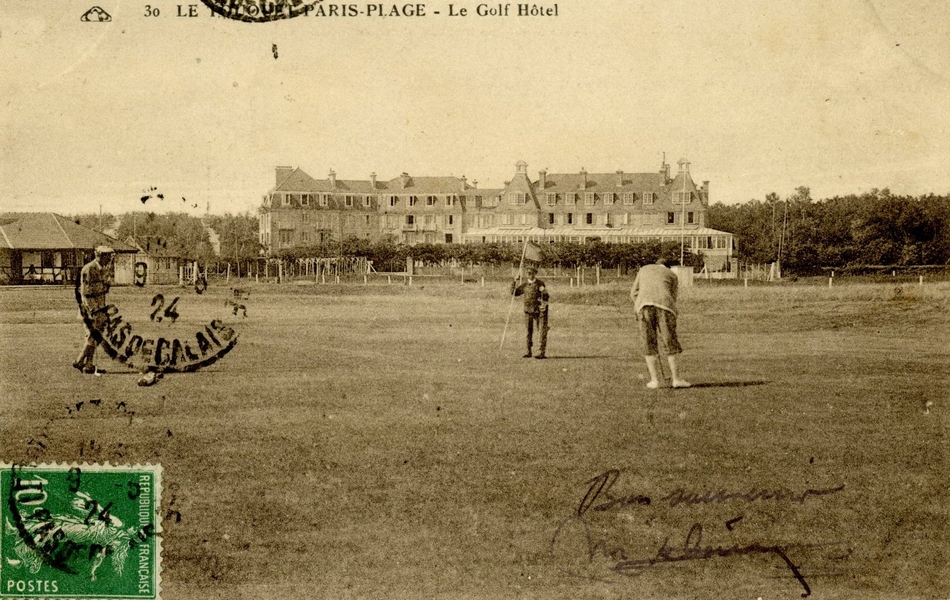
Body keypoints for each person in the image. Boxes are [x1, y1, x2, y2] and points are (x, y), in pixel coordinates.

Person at [630, 257, 691, 389]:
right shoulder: (672, 275)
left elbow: (634, 293)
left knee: (648, 342)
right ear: (668, 267)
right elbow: (673, 297)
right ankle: (676, 379)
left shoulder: (643, 269)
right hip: (666, 307)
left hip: (643, 306)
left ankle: (654, 380)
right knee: (670, 342)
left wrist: (640, 304)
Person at [74, 246, 114, 374]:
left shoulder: (102, 269)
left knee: (93, 336)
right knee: (93, 336)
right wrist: (93, 310)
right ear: (100, 256)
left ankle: (89, 365)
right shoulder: (89, 268)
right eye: (107, 256)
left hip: (99, 307)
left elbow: (102, 289)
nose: (109, 259)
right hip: (91, 309)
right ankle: (80, 360)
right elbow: (85, 292)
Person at [511, 266, 549, 359]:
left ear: (535, 274)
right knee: (528, 331)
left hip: (539, 311)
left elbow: (546, 296)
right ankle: (528, 351)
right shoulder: (524, 285)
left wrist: (544, 305)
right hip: (528, 311)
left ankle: (541, 352)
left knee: (541, 331)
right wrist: (514, 281)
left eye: (531, 273)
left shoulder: (540, 284)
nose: (530, 275)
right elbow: (514, 293)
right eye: (528, 273)